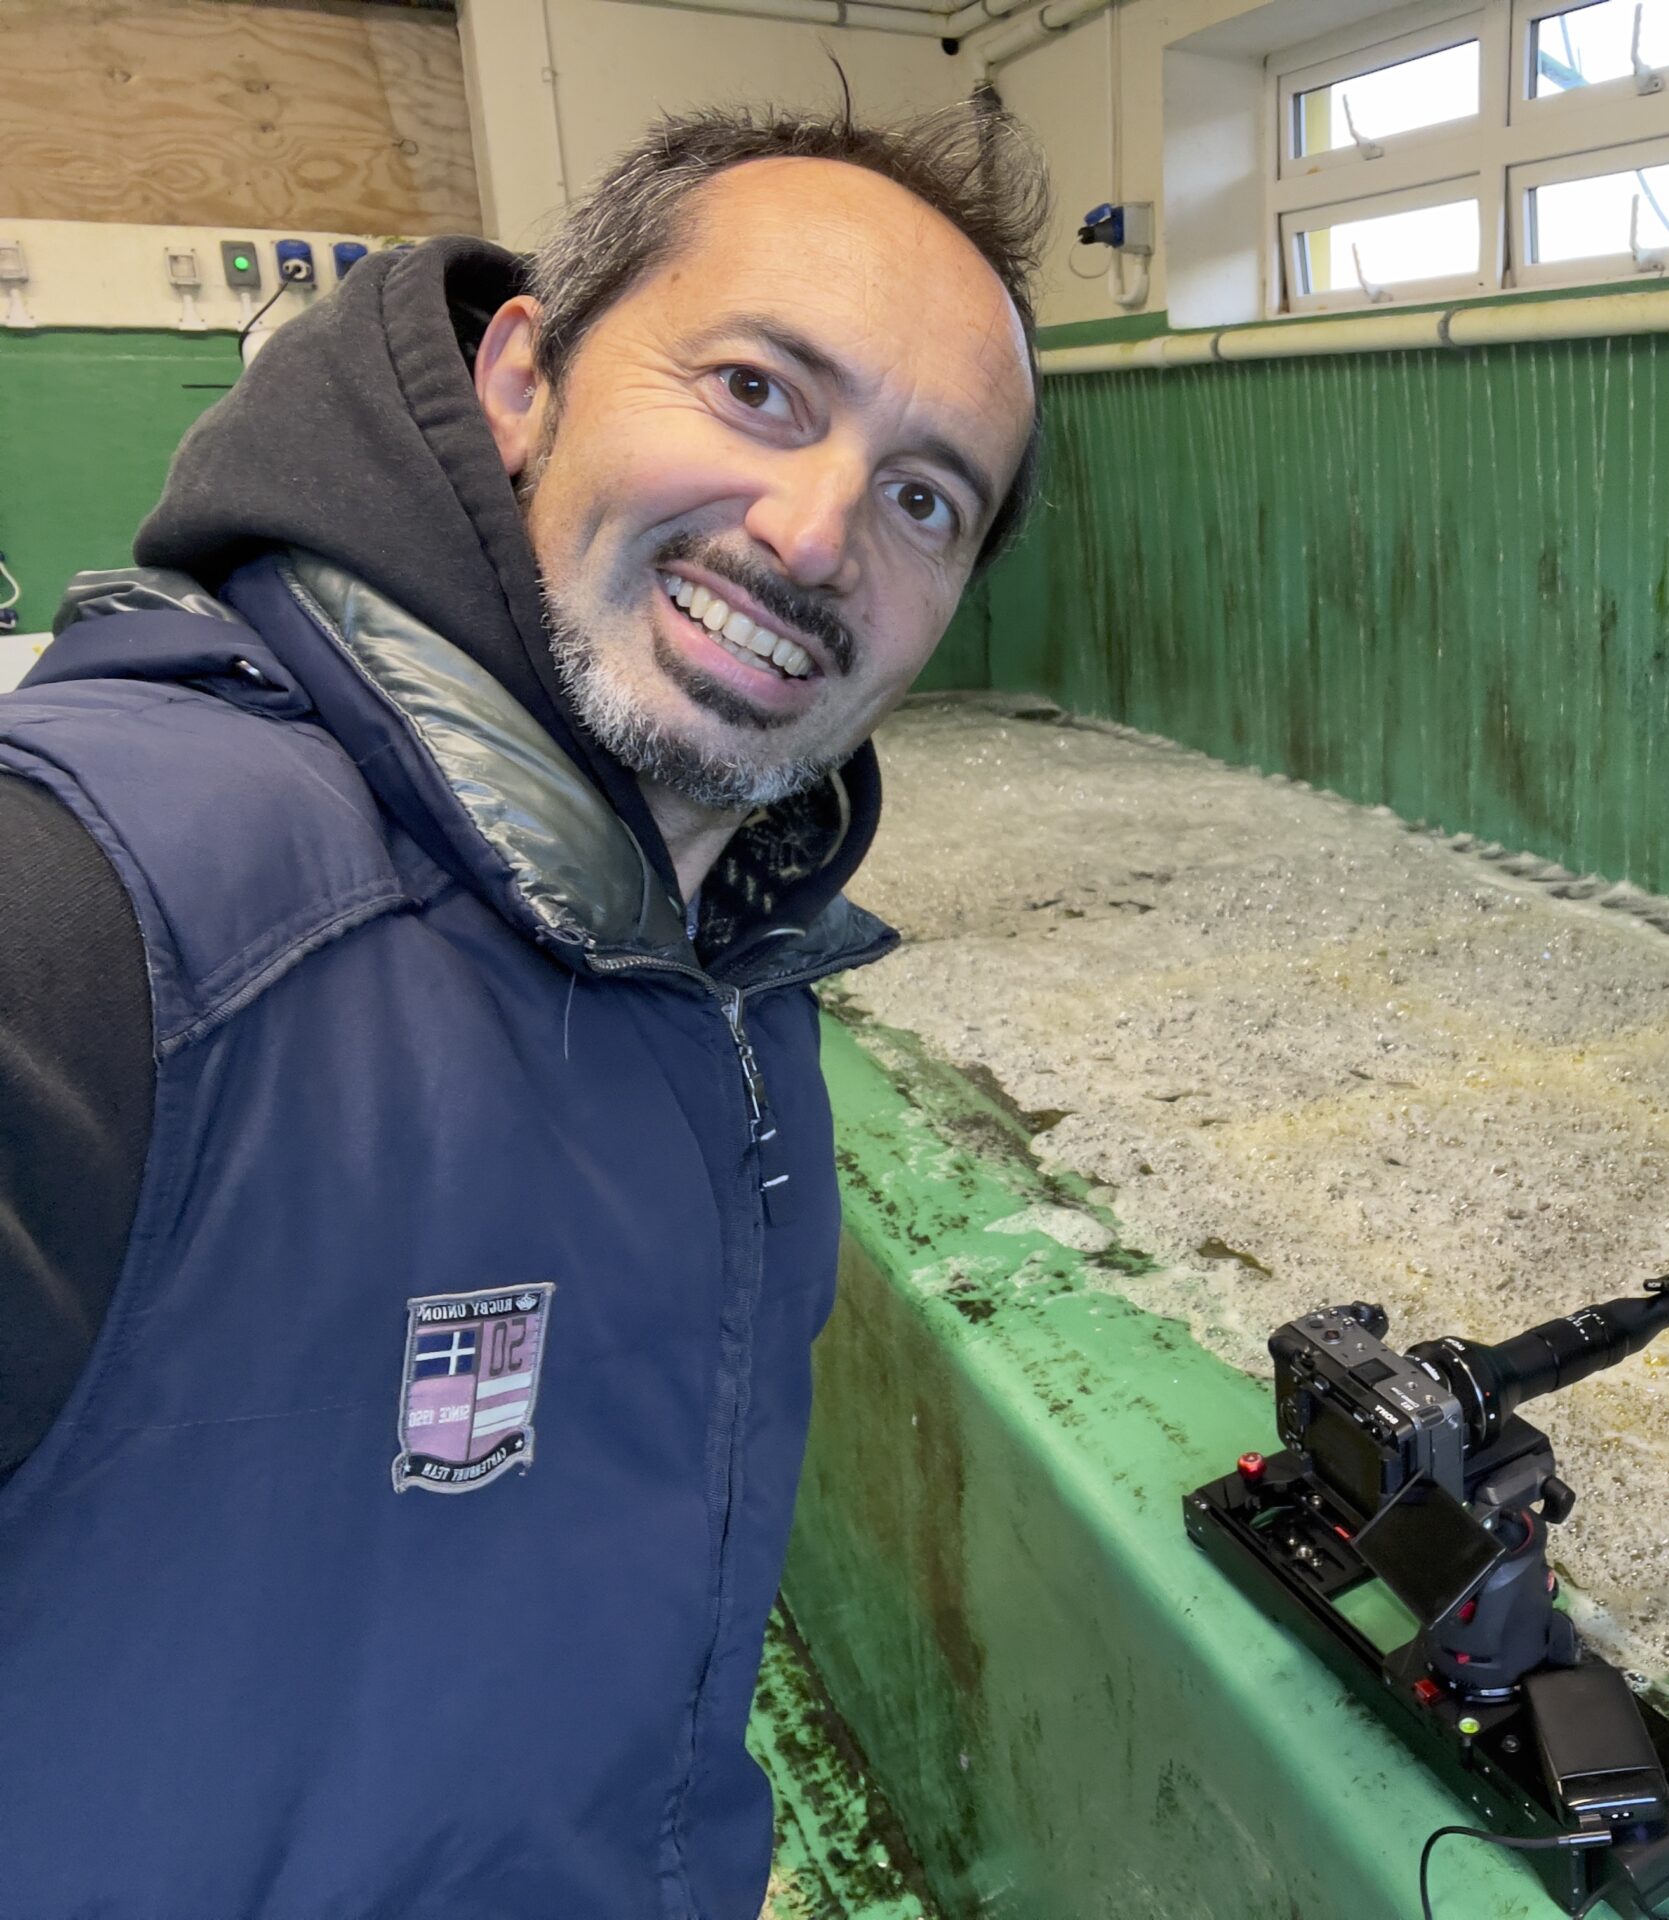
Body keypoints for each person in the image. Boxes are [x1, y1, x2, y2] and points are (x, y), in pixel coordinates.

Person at [0, 98, 1044, 1917]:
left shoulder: (732, 974)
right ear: (522, 376)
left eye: (923, 496)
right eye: (757, 392)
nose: (814, 536)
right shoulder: (104, 899)